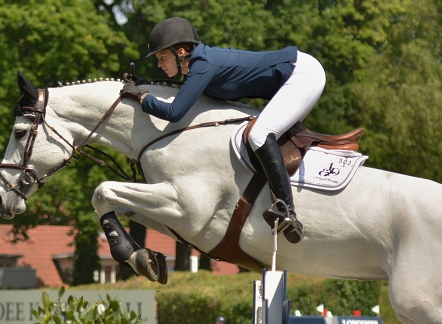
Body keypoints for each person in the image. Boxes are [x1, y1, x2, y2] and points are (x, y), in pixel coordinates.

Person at [120, 16, 326, 244]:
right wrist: (143, 85)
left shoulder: (203, 66)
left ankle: (287, 210)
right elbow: (181, 95)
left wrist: (140, 96)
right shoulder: (199, 66)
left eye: (162, 57)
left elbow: (173, 112)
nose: (159, 63)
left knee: (259, 134)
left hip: (303, 75)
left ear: (180, 53)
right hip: (296, 74)